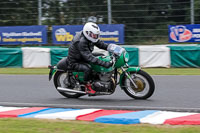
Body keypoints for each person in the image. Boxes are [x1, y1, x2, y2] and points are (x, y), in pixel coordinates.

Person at [67, 22, 113, 93]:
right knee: (88, 68)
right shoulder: (81, 42)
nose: (95, 37)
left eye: (96, 35)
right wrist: (104, 64)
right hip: (75, 61)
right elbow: (89, 58)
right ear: (87, 33)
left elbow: (100, 44)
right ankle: (87, 86)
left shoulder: (90, 38)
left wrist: (111, 48)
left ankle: (97, 78)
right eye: (94, 35)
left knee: (100, 55)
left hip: (82, 56)